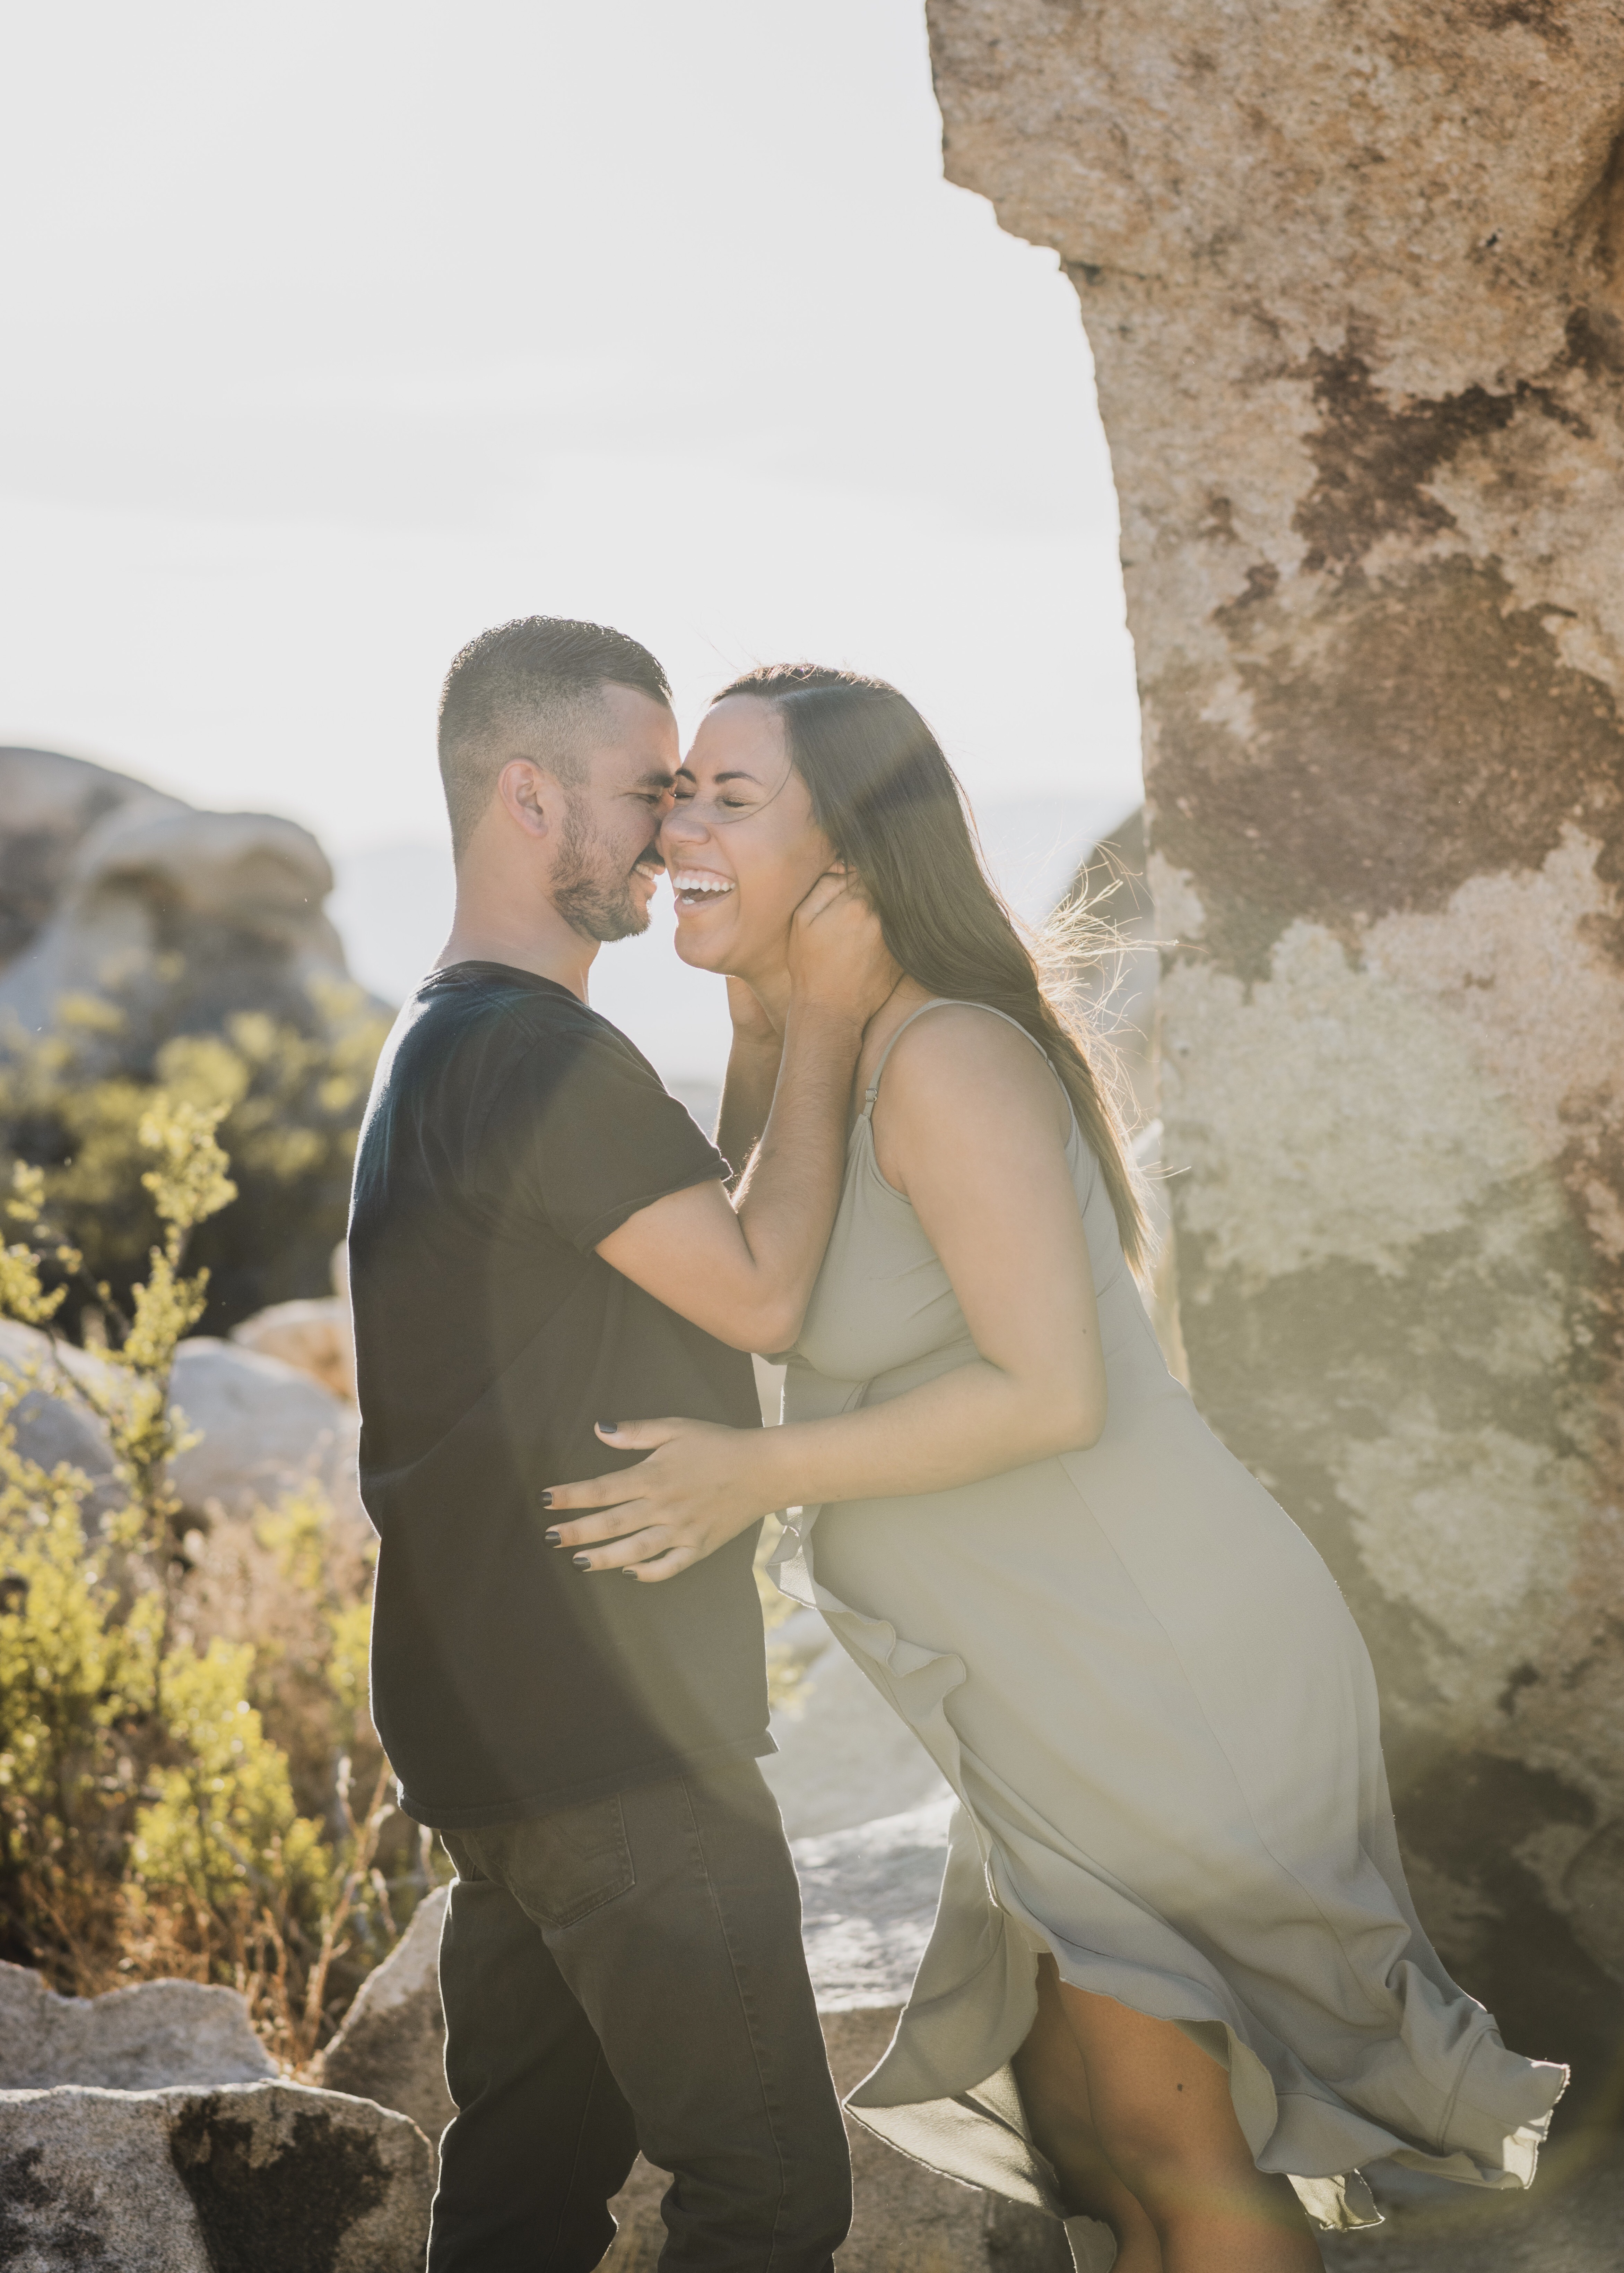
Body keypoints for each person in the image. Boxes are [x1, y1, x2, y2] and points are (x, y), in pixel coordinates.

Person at [541, 665, 1569, 2273]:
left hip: (1156, 1657)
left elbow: (1051, 1397)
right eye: (680, 792)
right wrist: (779, 1012)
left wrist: (754, 1475)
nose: (677, 825)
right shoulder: (832, 1053)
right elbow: (768, 1278)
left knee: (1180, 2156)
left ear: (860, 863)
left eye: (730, 798)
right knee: (1108, 2155)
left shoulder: (948, 1054)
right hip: (1051, 1686)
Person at [347, 622, 900, 2273]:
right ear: (529, 794)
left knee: (522, 2198)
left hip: (498, 1736)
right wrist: (826, 1008)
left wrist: (747, 1021)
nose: (671, 830)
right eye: (643, 790)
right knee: (767, 2196)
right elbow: (764, 1287)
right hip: (613, 1742)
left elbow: (687, 1235)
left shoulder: (449, 1039)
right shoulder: (535, 1056)